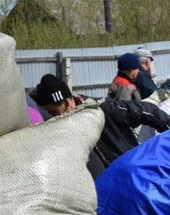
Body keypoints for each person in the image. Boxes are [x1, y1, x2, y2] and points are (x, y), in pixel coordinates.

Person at [32, 73, 170, 177]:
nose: (52, 117)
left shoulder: (101, 109)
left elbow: (147, 111)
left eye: (54, 112)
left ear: (68, 103)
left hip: (130, 176)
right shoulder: (60, 130)